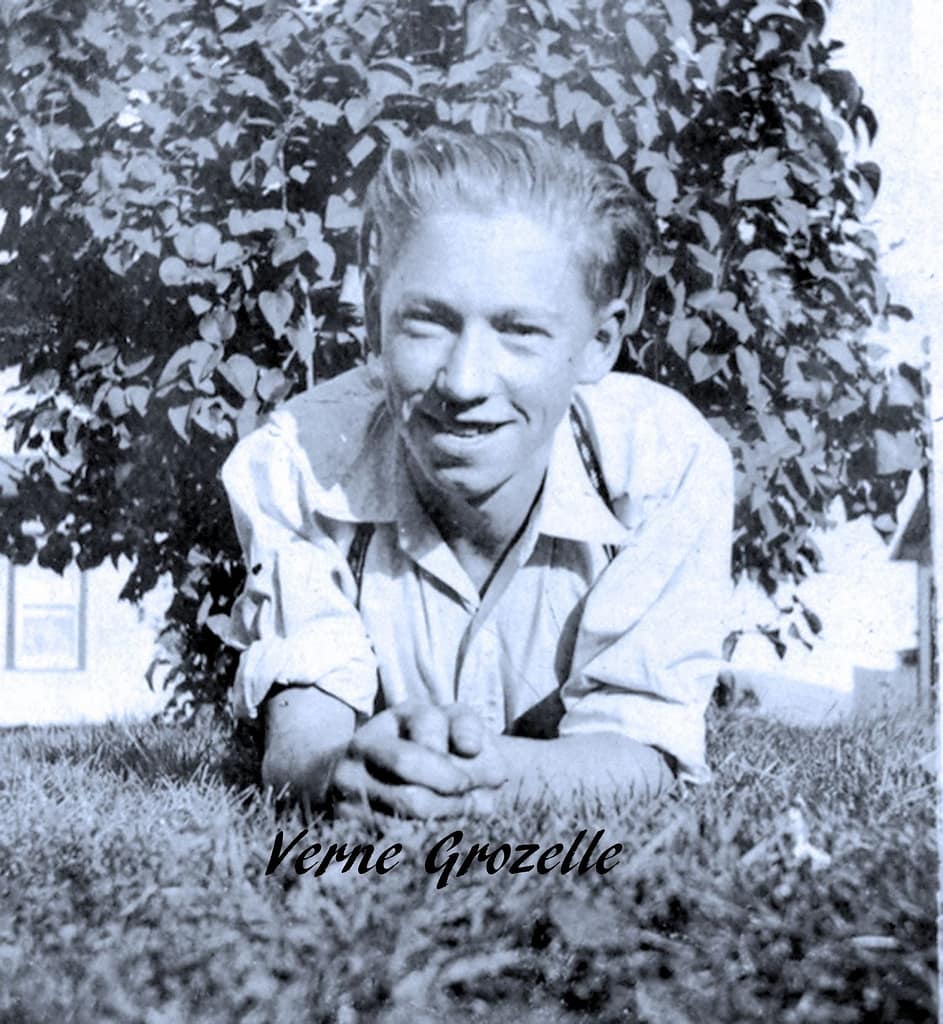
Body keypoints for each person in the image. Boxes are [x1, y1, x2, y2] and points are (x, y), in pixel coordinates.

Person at [221, 129, 734, 819]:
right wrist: (341, 775)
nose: (464, 382)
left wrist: (473, 777)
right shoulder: (302, 462)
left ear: (599, 342)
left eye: (519, 331)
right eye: (426, 322)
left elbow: (643, 748)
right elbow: (304, 737)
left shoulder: (661, 464)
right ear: (374, 315)